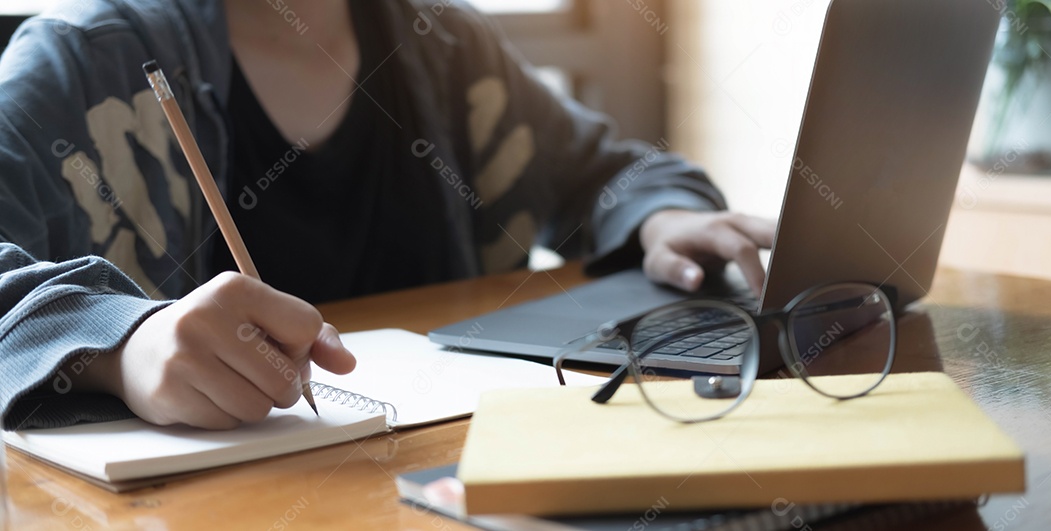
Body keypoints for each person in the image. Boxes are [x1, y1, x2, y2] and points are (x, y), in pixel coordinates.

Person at [0, 0, 775, 431]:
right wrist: (119, 343)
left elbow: (604, 169)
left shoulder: (443, 41)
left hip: (438, 480)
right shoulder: (82, 60)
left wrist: (662, 215)